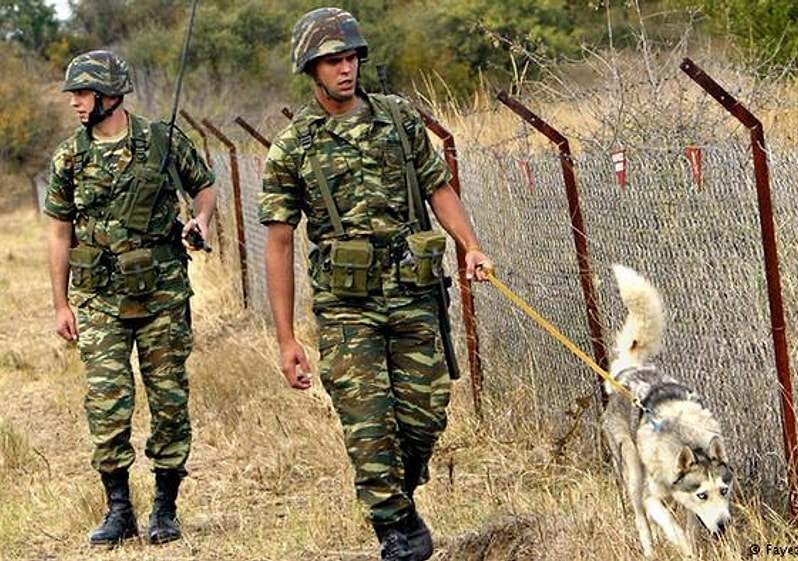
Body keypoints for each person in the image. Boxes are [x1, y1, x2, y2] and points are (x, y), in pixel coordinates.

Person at [258, 7, 493, 561]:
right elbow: (280, 243)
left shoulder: (399, 119)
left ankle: (399, 499)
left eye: (350, 58)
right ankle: (396, 533)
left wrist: (470, 245)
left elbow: (439, 190)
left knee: (424, 415)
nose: (345, 70)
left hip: (414, 294)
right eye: (332, 61)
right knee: (368, 426)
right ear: (311, 69)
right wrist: (287, 338)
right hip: (347, 309)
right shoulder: (292, 147)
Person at [44, 50, 216, 546]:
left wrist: (199, 222)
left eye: (83, 93)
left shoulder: (161, 140)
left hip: (161, 295)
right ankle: (119, 509)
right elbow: (59, 234)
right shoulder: (69, 156)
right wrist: (61, 304)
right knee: (106, 403)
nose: (76, 103)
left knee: (168, 400)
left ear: (110, 95)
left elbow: (204, 189)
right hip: (98, 300)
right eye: (74, 94)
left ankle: (165, 507)